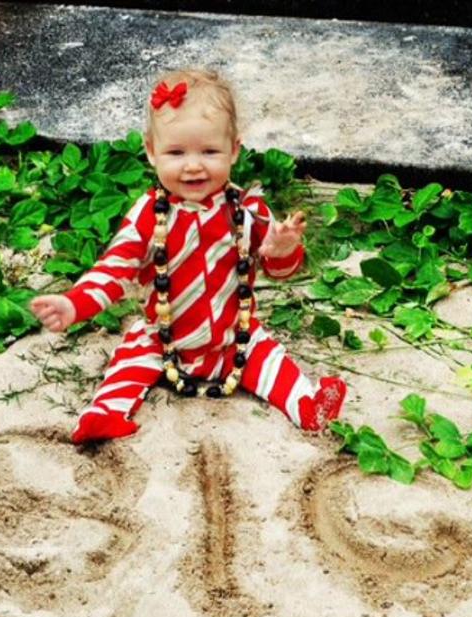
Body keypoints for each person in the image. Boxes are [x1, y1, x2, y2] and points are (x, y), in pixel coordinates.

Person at [30, 68, 347, 444]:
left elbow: (281, 271)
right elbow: (114, 269)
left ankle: (307, 405)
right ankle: (104, 414)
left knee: (269, 358)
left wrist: (282, 251)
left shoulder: (247, 210)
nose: (193, 165)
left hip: (233, 340)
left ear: (233, 150)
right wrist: (74, 304)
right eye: (176, 152)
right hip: (164, 341)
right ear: (151, 151)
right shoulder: (149, 216)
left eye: (209, 151)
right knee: (130, 359)